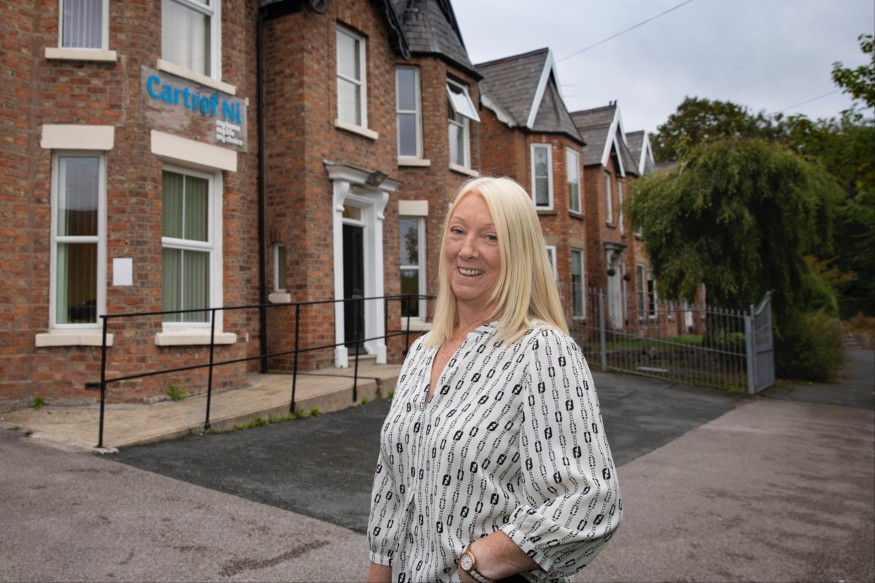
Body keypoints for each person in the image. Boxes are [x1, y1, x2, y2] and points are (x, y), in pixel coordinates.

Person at [367, 177, 621, 583]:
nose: (467, 249)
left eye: (490, 237)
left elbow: (591, 501)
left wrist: (480, 561)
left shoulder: (541, 350)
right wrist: (379, 568)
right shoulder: (422, 352)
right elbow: (391, 483)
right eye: (458, 231)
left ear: (519, 253)